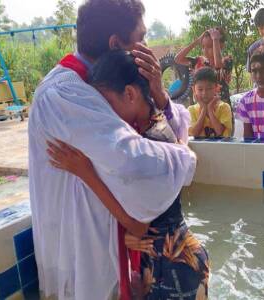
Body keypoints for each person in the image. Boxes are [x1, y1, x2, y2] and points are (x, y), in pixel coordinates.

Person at [28, 1, 197, 299]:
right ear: (116, 44)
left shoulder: (114, 82)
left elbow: (173, 130)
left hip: (134, 242)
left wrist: (158, 92)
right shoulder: (65, 92)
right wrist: (185, 156)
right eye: (141, 38)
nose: (146, 46)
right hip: (85, 246)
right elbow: (132, 160)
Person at [48, 50, 209, 299]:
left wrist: (85, 172)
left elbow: (138, 225)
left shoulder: (146, 146)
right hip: (176, 256)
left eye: (107, 104)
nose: (104, 114)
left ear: (130, 94)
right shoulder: (156, 124)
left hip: (171, 265)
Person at [174, 27, 233, 105]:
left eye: (209, 47)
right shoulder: (199, 61)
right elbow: (177, 59)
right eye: (203, 47)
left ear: (221, 46)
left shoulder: (227, 61)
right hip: (201, 112)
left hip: (221, 111)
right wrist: (196, 42)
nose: (205, 50)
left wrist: (215, 39)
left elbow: (218, 64)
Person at [188, 67, 233, 138]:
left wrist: (210, 110)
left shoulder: (224, 107)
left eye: (209, 89)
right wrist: (203, 110)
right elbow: (194, 133)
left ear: (217, 88)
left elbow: (219, 132)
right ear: (194, 89)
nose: (204, 93)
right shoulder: (191, 110)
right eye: (200, 89)